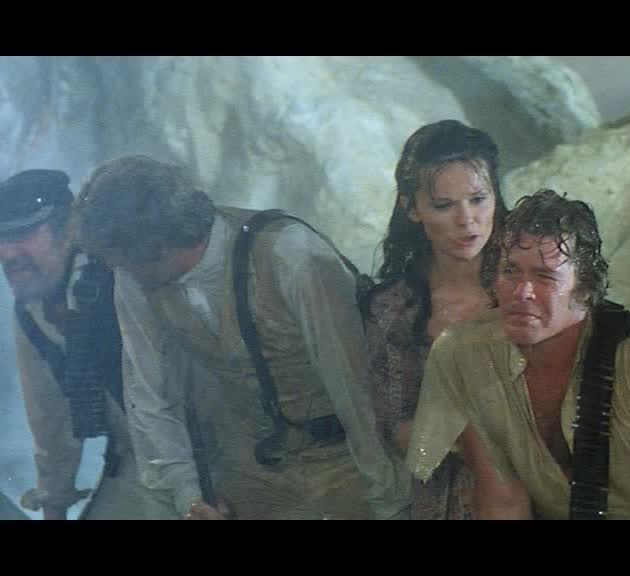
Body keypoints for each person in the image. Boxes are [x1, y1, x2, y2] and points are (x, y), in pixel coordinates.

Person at [76, 155, 410, 520]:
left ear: (157, 246)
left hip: (346, 458)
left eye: (118, 256)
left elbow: (356, 385)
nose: (112, 266)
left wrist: (389, 500)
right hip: (254, 466)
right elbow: (149, 393)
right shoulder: (134, 278)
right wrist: (188, 494)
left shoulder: (289, 255)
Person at [405, 188, 630, 520]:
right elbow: (451, 474)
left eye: (544, 276)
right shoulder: (463, 353)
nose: (522, 292)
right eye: (510, 271)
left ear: (584, 289)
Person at [0, 169, 175, 519]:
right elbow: (50, 421)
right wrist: (54, 504)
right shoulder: (31, 312)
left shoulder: (123, 274)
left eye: (21, 235)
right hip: (136, 460)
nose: (7, 253)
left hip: (207, 447)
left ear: (67, 230)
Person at [364, 119, 509, 519]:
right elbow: (398, 432)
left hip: (547, 490)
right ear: (412, 209)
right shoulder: (395, 308)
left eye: (478, 198)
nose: (467, 220)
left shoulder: (532, 285)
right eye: (444, 206)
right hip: (447, 500)